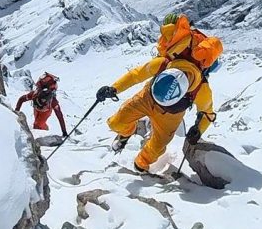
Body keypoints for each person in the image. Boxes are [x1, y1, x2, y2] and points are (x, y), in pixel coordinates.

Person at [95, 13, 222, 173]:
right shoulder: (189, 81)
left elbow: (207, 113)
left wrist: (199, 130)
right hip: (151, 101)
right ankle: (127, 136)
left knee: (154, 150)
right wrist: (113, 88)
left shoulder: (198, 87)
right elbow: (136, 75)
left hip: (157, 106)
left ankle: (141, 164)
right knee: (116, 123)